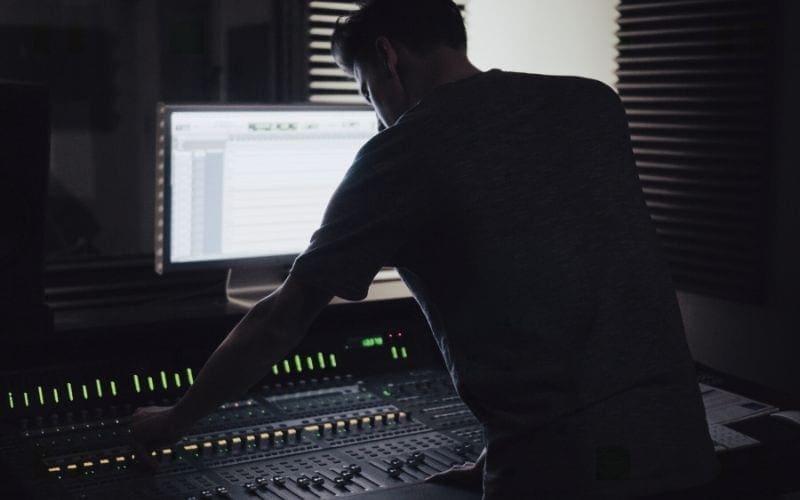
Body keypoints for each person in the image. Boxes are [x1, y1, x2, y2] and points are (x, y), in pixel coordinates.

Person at [132, 0, 720, 498]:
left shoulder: (405, 150)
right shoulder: (592, 103)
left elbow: (280, 323)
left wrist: (173, 420)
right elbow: (570, 270)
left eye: (366, 92)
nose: (378, 116)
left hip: (568, 467)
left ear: (387, 56)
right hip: (681, 439)